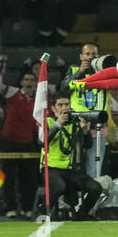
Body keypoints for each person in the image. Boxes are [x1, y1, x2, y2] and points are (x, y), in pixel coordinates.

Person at [39, 92, 102, 220]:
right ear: (53, 108)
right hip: (51, 168)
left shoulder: (75, 123)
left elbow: (88, 145)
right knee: (59, 186)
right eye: (60, 105)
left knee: (96, 188)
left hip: (71, 170)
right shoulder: (48, 121)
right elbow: (41, 142)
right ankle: (41, 212)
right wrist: (58, 124)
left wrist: (85, 131)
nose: (64, 108)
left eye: (66, 104)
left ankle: (82, 214)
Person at [0, 55, 38, 219]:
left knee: (29, 179)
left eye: (32, 79)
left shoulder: (38, 101)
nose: (28, 82)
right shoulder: (13, 92)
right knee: (9, 178)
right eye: (26, 79)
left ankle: (27, 208)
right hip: (9, 142)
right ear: (22, 82)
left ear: (36, 83)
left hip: (28, 143)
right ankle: (10, 208)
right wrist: (1, 63)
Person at [61, 43, 114, 178]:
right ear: (81, 56)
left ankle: (91, 195)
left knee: (94, 167)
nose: (91, 57)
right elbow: (63, 87)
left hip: (98, 125)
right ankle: (76, 196)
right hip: (77, 124)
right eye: (87, 54)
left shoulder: (104, 72)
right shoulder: (73, 71)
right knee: (75, 163)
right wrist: (80, 72)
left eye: (94, 54)